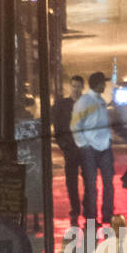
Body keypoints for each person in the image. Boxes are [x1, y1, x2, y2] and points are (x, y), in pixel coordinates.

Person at [71, 71, 114, 226]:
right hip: (90, 148)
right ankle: (91, 217)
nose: (105, 86)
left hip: (104, 147)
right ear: (98, 84)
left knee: (107, 183)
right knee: (91, 184)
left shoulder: (101, 100)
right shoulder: (85, 102)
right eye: (103, 83)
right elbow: (75, 125)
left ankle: (107, 215)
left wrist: (109, 139)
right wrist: (84, 145)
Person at [53, 74, 84, 223]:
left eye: (78, 87)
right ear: (70, 87)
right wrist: (63, 144)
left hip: (84, 148)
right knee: (71, 180)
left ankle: (86, 207)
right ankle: (75, 208)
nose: (76, 89)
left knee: (88, 179)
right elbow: (57, 125)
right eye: (74, 86)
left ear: (82, 88)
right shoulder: (63, 104)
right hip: (70, 148)